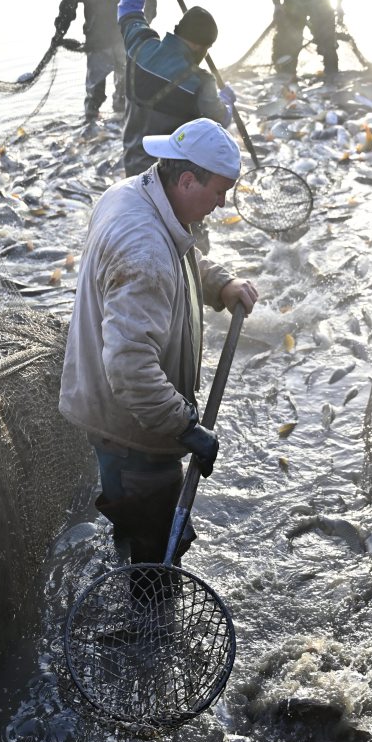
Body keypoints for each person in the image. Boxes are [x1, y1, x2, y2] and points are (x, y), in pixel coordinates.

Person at [59, 117, 258, 577]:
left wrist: (220, 284)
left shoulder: (136, 192)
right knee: (157, 543)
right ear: (187, 179)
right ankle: (147, 621)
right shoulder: (143, 249)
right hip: (131, 426)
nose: (223, 202)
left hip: (113, 408)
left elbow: (181, 257)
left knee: (135, 517)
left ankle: (131, 555)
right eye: (219, 191)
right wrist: (187, 427)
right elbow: (130, 368)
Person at [117, 0, 236, 179]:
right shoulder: (201, 82)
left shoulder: (141, 46)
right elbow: (218, 123)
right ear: (199, 46)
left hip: (132, 169)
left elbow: (128, 5)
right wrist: (227, 102)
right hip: (173, 181)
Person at [53, 0, 157, 121]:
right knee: (94, 91)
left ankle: (120, 121)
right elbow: (69, 3)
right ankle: (91, 121)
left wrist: (145, 24)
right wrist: (61, 28)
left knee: (126, 89)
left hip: (124, 41)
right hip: (97, 42)